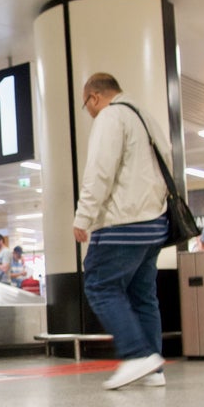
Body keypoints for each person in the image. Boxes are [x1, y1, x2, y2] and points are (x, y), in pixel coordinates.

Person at [72, 72, 167, 389]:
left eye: (87, 106)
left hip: (121, 222)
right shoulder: (146, 117)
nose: (90, 113)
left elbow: (100, 171)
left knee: (100, 285)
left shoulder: (111, 117)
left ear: (94, 97)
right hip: (154, 223)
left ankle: (137, 354)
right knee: (144, 295)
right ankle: (154, 368)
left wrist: (83, 218)